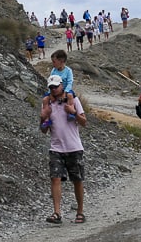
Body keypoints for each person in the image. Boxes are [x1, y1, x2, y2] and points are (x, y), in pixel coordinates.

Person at [40, 75, 87, 225]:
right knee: (55, 178)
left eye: (56, 86)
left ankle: (80, 212)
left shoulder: (74, 100)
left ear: (62, 85)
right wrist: (44, 118)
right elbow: (43, 130)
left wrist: (73, 112)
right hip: (56, 148)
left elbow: (84, 122)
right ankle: (57, 212)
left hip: (74, 147)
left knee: (77, 180)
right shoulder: (48, 105)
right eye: (51, 87)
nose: (53, 89)